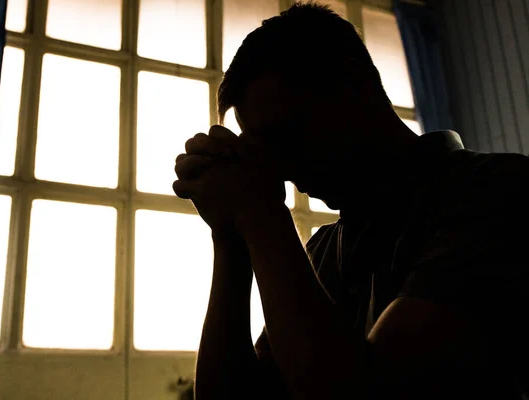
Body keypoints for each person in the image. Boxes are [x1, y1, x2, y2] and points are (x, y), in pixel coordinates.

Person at [172, 3, 529, 399]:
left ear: (353, 88)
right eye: (264, 153)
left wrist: (259, 214)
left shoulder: (501, 190)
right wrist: (230, 237)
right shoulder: (325, 252)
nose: (282, 170)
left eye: (287, 136)